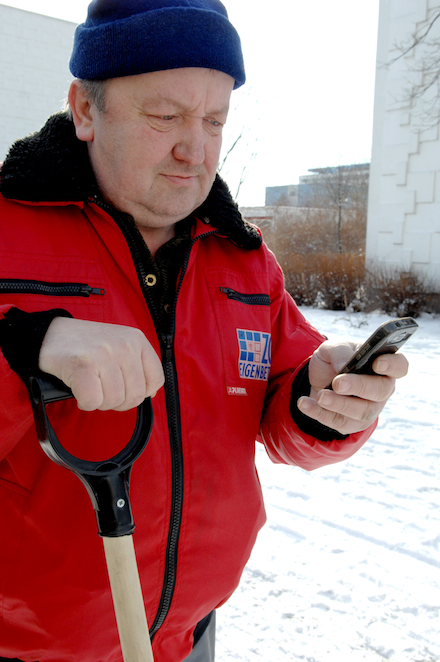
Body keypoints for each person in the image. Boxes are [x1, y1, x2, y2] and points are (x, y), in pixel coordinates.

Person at [0, 1, 408, 661]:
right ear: (84, 109)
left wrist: (325, 400)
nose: (196, 148)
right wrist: (24, 348)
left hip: (188, 637)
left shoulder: (245, 260)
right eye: (164, 116)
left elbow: (280, 403)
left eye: (215, 119)